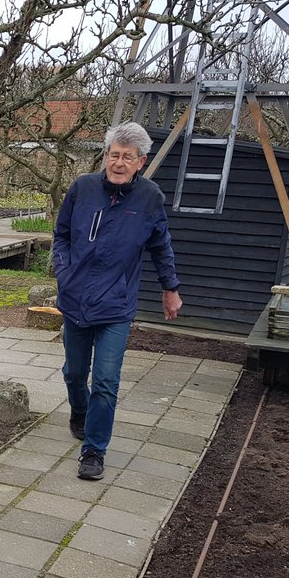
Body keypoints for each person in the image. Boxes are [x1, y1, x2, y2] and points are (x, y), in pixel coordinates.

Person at [53, 121, 182, 481]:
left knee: (106, 380)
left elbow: (161, 246)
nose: (119, 162)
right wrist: (63, 272)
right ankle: (79, 412)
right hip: (75, 299)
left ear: (141, 161)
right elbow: (61, 235)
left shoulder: (149, 198)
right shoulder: (83, 188)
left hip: (116, 306)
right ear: (105, 156)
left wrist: (170, 287)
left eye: (128, 156)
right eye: (114, 155)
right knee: (75, 373)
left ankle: (94, 450)